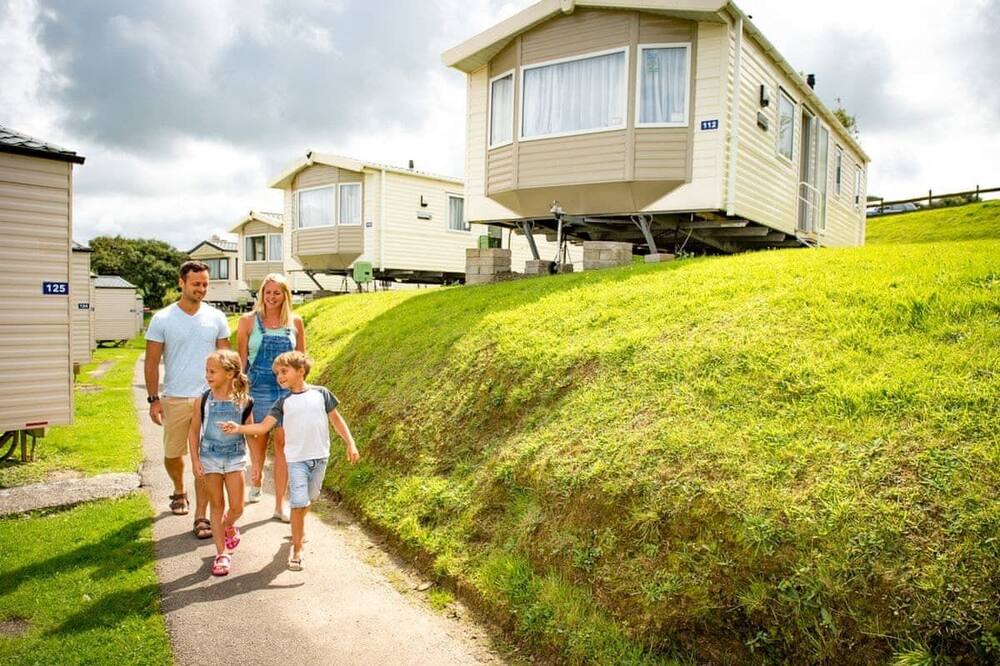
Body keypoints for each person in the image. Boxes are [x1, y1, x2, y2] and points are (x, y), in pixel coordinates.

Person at [222, 351, 359, 571]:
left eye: (284, 372)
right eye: (277, 373)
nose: (279, 377)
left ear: (301, 371)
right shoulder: (282, 402)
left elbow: (336, 420)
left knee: (309, 499)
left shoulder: (321, 394)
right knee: (297, 503)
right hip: (296, 461)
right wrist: (238, 428)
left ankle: (298, 528)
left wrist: (350, 443)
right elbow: (263, 426)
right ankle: (297, 550)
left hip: (320, 457)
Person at [145, 260, 231, 539]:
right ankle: (179, 490)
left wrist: (229, 395)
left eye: (205, 284)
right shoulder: (163, 319)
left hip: (209, 399)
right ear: (181, 283)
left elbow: (227, 360)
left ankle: (201, 517)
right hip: (175, 397)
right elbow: (151, 360)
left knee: (204, 460)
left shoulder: (216, 317)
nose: (202, 288)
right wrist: (153, 399)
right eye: (196, 284)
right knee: (173, 454)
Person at [236, 274, 305, 522]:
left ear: (285, 296)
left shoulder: (295, 322)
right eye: (268, 292)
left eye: (277, 293)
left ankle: (279, 504)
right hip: (257, 388)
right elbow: (241, 362)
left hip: (287, 391)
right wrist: (240, 393)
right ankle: (256, 481)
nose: (272, 297)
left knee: (283, 446)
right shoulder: (247, 322)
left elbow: (301, 361)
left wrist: (301, 391)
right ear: (261, 293)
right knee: (258, 442)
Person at [188, 350, 253, 576]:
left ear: (229, 373)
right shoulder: (203, 400)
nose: (207, 375)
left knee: (237, 507)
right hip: (210, 458)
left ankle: (227, 526)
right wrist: (195, 460)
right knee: (216, 506)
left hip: (235, 458)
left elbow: (251, 432)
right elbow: (194, 431)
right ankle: (221, 553)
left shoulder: (244, 401)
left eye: (212, 371)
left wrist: (256, 469)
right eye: (206, 371)